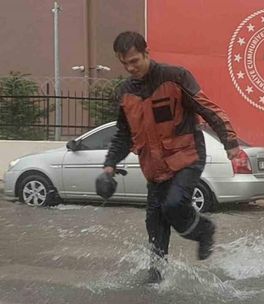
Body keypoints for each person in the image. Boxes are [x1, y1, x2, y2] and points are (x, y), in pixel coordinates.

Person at [100, 31, 240, 283]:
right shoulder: (125, 93)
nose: (130, 68)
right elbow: (123, 134)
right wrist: (109, 166)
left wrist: (230, 142)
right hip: (154, 169)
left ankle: (204, 230)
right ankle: (156, 275)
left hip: (187, 158)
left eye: (135, 61)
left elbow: (207, 108)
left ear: (146, 53)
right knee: (155, 223)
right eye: (125, 63)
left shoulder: (175, 77)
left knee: (174, 205)